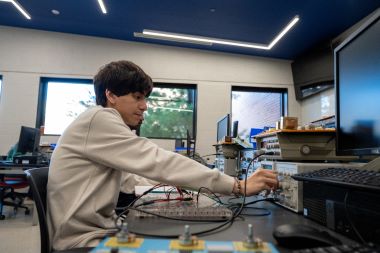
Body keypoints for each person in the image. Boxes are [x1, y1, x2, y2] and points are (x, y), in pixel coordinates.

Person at [46, 60, 278, 250]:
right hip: (83, 243)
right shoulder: (99, 118)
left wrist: (180, 184)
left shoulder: (99, 125)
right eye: (137, 97)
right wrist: (236, 185)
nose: (145, 106)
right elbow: (157, 161)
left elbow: (132, 181)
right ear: (111, 95)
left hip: (101, 231)